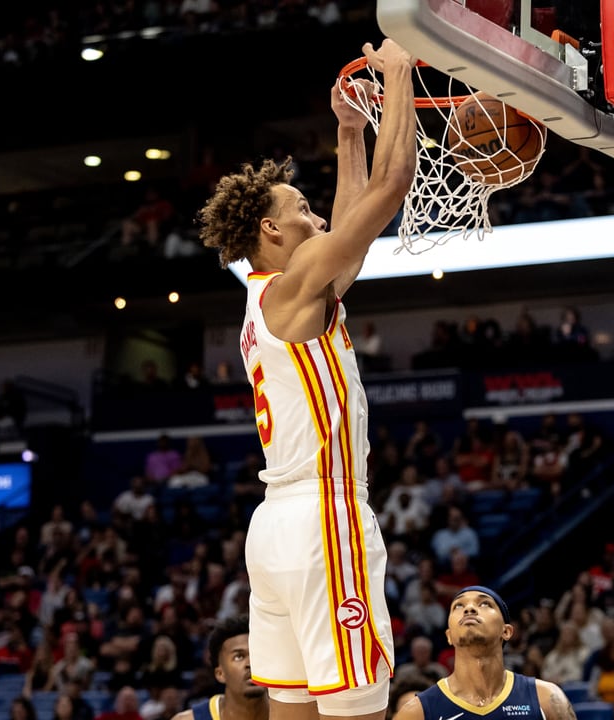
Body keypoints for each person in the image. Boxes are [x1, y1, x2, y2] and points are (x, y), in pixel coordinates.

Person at [196, 38, 417, 720]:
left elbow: (348, 219)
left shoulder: (274, 294)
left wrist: (352, 129)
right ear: (270, 228)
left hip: (275, 531)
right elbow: (389, 188)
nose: (317, 216)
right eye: (302, 210)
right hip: (325, 514)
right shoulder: (291, 291)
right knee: (357, 712)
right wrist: (402, 72)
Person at [390, 586, 576, 720]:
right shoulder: (417, 712)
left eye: (485, 604)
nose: (469, 609)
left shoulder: (546, 698)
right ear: (449, 636)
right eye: (458, 606)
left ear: (506, 631)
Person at [171, 616, 268, 720]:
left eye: (257, 654)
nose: (251, 663)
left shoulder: (286, 713)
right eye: (238, 657)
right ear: (220, 674)